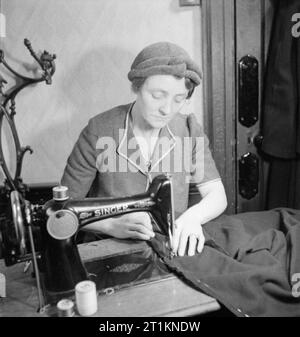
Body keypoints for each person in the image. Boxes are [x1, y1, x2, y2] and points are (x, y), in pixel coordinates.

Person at [61, 42, 227, 256]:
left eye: (178, 100)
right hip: (108, 246)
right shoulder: (99, 131)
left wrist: (192, 218)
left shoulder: (189, 131)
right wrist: (110, 225)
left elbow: (217, 195)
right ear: (136, 87)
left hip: (170, 244)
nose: (167, 109)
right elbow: (64, 209)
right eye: (157, 96)